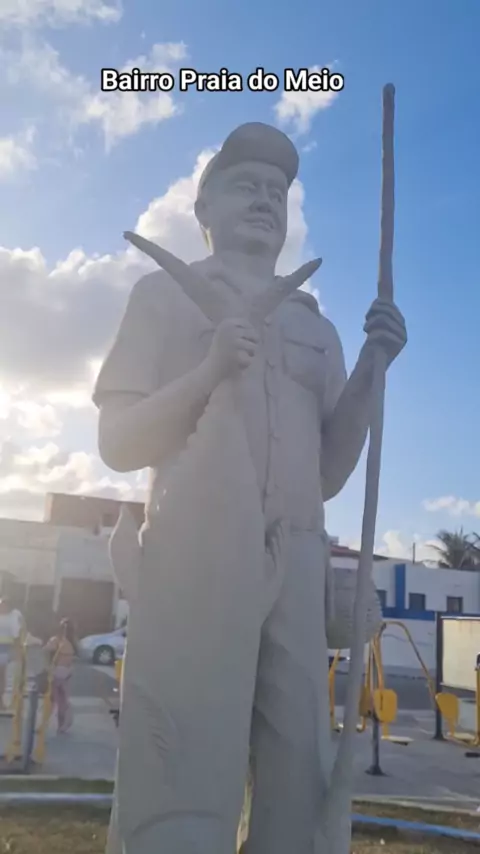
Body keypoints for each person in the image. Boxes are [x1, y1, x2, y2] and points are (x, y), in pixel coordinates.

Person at [94, 122, 407, 853]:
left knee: (299, 776)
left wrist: (372, 367)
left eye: (278, 191)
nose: (267, 200)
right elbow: (118, 443)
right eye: (246, 186)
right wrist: (208, 374)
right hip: (195, 557)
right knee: (178, 768)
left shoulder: (317, 328)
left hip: (298, 562)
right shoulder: (160, 296)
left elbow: (328, 475)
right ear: (204, 208)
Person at [44, 618, 76, 734]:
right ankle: (62, 724)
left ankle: (44, 722)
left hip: (57, 671)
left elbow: (46, 651)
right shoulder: (73, 642)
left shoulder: (56, 640)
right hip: (67, 672)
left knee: (53, 698)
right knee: (63, 699)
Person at [0, 597, 23, 712]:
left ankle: (1, 702)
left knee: (1, 676)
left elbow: (16, 636)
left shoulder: (12, 618)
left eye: (4, 605)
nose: (2, 607)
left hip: (4, 649)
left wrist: (18, 652)